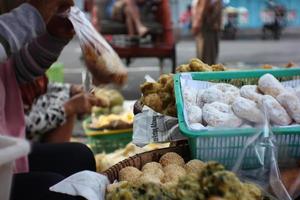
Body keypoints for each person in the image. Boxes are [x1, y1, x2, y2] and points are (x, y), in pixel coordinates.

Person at [0, 1, 104, 199]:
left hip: (7, 153)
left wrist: (55, 37)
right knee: (56, 189)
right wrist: (34, 13)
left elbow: (16, 72)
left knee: (79, 157)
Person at [191, 0, 222, 65]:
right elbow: (198, 13)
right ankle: (205, 66)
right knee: (204, 52)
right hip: (204, 29)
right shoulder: (202, 2)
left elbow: (215, 13)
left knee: (210, 51)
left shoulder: (215, 2)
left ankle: (209, 66)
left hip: (211, 29)